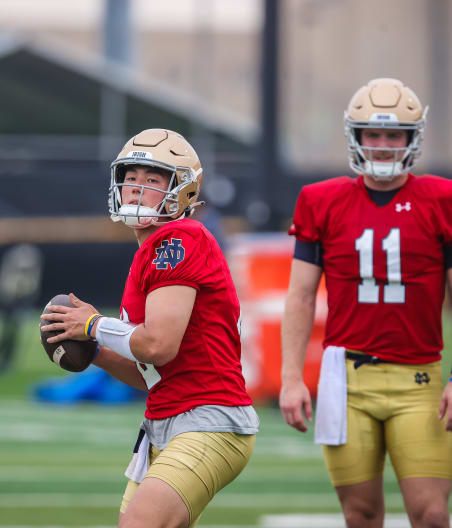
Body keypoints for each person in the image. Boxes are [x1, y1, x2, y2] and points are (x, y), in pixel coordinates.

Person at [41, 128, 259, 528]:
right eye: (131, 177)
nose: (136, 188)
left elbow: (158, 346)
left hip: (208, 420)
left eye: (152, 179)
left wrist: (93, 324)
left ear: (182, 190)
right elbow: (153, 375)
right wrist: (98, 354)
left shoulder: (178, 237)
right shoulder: (153, 249)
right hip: (164, 421)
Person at [280, 78, 452, 528]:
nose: (381, 145)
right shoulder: (320, 200)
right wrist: (291, 376)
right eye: (371, 134)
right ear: (354, 136)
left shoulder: (442, 199)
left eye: (393, 134)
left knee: (431, 514)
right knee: (360, 514)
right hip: (346, 381)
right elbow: (300, 295)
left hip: (419, 379)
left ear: (412, 139)